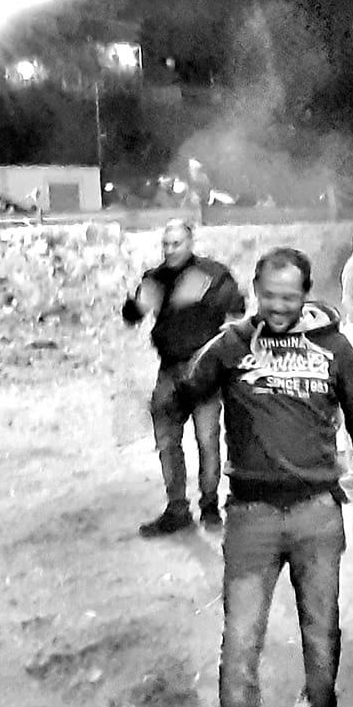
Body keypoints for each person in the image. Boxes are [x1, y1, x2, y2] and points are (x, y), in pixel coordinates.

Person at [174, 247, 353, 707]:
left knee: (322, 641)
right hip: (252, 518)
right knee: (239, 649)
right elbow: (188, 389)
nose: (280, 307)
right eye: (270, 296)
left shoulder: (333, 348)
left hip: (317, 513)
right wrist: (200, 367)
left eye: (291, 297)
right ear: (255, 292)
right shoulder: (234, 343)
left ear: (307, 294)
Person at [122, 219, 248, 536]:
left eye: (176, 243)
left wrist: (220, 355)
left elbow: (235, 316)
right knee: (167, 443)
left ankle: (209, 507)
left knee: (207, 443)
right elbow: (133, 317)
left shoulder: (213, 275)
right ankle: (177, 508)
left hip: (205, 373)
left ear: (190, 243)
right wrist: (135, 304)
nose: (169, 250)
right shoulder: (156, 279)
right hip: (169, 370)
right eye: (166, 244)